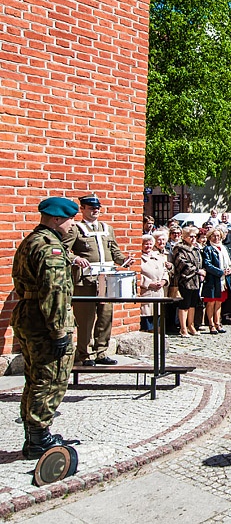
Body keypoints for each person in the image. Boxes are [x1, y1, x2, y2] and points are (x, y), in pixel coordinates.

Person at [12, 197, 81, 458]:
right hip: (44, 323)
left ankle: (35, 435)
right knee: (50, 380)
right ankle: (39, 439)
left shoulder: (32, 240)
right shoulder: (49, 247)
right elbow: (54, 292)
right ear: (57, 219)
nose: (72, 225)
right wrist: (59, 331)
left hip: (28, 317)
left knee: (34, 378)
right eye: (70, 220)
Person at [65, 193, 130, 366]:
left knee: (105, 317)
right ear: (83, 209)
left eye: (97, 207)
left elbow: (114, 251)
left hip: (106, 279)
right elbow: (64, 250)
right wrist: (75, 259)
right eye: (91, 207)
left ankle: (101, 352)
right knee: (85, 318)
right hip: (85, 280)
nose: (95, 210)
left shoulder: (107, 228)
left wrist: (123, 260)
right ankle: (84, 354)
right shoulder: (76, 229)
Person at [171, 226, 204, 337]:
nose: (193, 238)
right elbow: (181, 262)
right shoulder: (179, 248)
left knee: (193, 304)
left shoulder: (196, 249)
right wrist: (197, 270)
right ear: (184, 237)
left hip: (195, 280)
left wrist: (201, 271)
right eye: (191, 236)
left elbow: (200, 262)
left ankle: (191, 325)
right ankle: (183, 328)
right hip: (184, 280)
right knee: (184, 304)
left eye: (195, 236)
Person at [200, 227, 231, 334]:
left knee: (219, 303)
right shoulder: (207, 249)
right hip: (212, 280)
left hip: (223, 281)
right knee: (211, 303)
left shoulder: (224, 248)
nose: (216, 238)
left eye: (218, 235)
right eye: (214, 236)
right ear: (210, 237)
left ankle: (218, 322)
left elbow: (228, 262)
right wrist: (220, 272)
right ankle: (211, 324)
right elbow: (207, 265)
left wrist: (229, 269)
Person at [138, 233, 168, 331]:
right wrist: (149, 283)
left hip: (159, 292)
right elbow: (137, 275)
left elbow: (165, 271)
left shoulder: (158, 256)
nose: (148, 246)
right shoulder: (139, 258)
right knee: (147, 319)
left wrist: (164, 281)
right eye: (146, 244)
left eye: (150, 244)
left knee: (158, 318)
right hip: (147, 292)